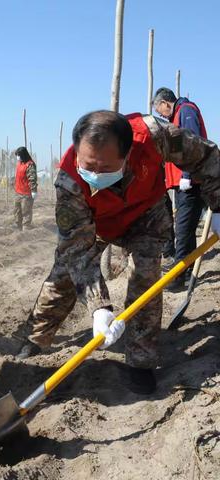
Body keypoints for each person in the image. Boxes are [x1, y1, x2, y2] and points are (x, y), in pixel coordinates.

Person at [17, 110, 220, 395]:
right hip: (96, 223)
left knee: (145, 277)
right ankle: (36, 337)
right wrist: (100, 307)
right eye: (89, 165)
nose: (94, 175)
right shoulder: (70, 182)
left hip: (145, 215)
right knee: (63, 275)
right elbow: (78, 252)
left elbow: (206, 157)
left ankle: (141, 360)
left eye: (105, 168)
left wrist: (219, 203)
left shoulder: (154, 136)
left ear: (128, 154)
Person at [153, 88, 208, 290]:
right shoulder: (177, 114)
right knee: (186, 230)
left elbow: (192, 141)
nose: (160, 114)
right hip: (182, 184)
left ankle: (177, 278)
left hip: (190, 183)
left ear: (166, 102)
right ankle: (186, 269)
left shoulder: (186, 110)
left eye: (159, 109)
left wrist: (186, 175)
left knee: (183, 231)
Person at [13, 146, 37, 230]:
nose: (17, 157)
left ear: (23, 155)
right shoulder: (20, 163)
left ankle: (26, 227)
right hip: (18, 192)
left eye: (18, 155)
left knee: (26, 211)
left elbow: (32, 178)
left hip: (26, 193)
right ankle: (17, 224)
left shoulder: (30, 164)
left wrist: (33, 190)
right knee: (17, 210)